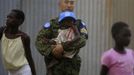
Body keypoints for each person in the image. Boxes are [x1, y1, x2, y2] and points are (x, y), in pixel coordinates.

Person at [35, 0, 88, 75]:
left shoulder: (78, 24)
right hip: (54, 67)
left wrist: (63, 47)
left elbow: (82, 40)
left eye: (71, 3)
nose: (69, 5)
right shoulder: (52, 24)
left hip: (72, 66)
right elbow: (39, 41)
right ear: (59, 4)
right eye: (66, 2)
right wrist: (53, 51)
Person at [0, 9, 36, 75]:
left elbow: (29, 57)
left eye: (11, 17)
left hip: (23, 70)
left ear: (20, 21)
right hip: (11, 71)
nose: (7, 19)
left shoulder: (24, 37)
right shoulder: (2, 32)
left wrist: (34, 73)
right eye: (7, 17)